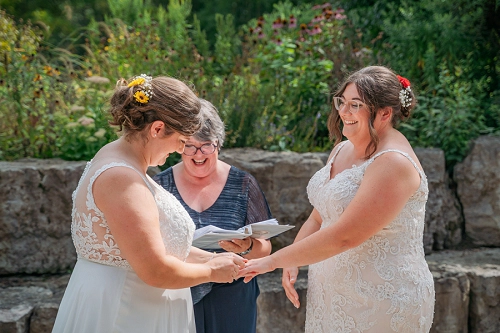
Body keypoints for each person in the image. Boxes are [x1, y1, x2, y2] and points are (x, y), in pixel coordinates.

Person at [240, 66, 435, 332]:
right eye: (342, 102)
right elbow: (321, 215)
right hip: (334, 294)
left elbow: (346, 235)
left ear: (385, 114)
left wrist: (273, 260)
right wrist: (294, 258)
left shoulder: (393, 163)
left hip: (382, 299)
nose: (343, 111)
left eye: (356, 105)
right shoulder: (343, 148)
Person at [52, 74, 245, 333]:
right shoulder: (122, 178)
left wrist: (213, 259)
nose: (179, 151)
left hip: (133, 303)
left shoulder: (118, 157)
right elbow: (154, 270)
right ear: (156, 129)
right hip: (125, 312)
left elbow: (153, 245)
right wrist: (212, 273)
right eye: (180, 141)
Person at [153, 98, 273, 333]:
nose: (198, 154)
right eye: (189, 145)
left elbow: (266, 248)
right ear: (178, 145)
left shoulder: (243, 184)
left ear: (218, 144)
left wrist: (246, 247)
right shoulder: (160, 185)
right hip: (179, 291)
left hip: (234, 295)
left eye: (206, 145)